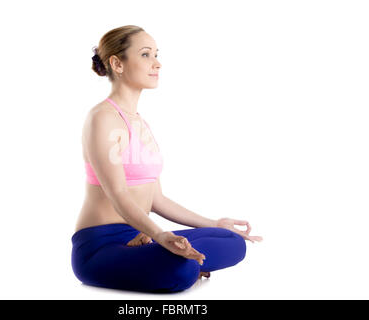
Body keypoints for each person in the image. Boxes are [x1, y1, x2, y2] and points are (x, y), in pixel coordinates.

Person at [71, 25, 263, 293]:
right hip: (101, 247)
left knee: (232, 241)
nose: (157, 64)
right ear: (117, 63)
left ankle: (164, 259)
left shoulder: (140, 123)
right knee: (181, 269)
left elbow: (157, 199)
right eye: (146, 55)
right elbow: (118, 194)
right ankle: (176, 264)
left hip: (143, 236)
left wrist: (214, 223)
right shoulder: (101, 118)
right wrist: (161, 235)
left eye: (156, 54)